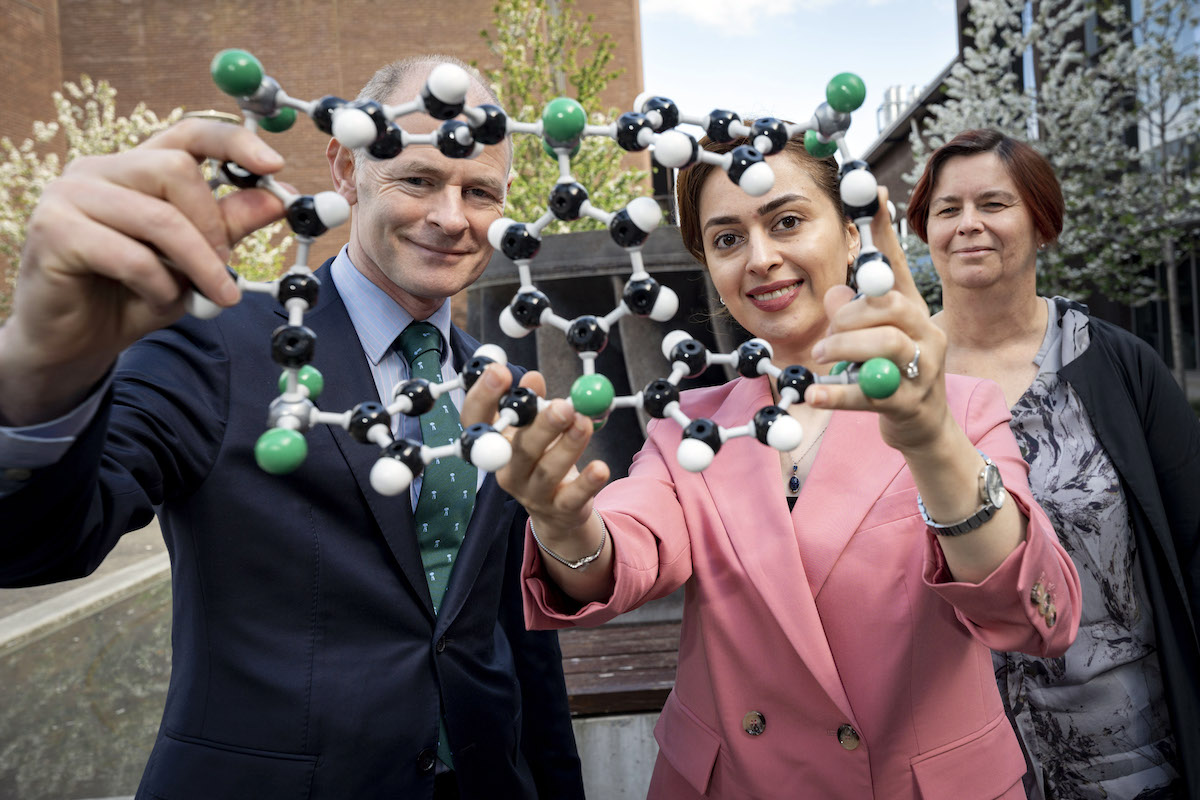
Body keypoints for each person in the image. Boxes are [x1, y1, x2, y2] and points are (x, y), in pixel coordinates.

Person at [0, 56, 584, 800]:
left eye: (480, 191)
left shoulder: (495, 383)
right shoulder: (215, 340)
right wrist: (41, 370)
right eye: (419, 180)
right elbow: (31, 541)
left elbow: (515, 635)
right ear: (346, 167)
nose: (452, 216)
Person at [461, 131, 1083, 799]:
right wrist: (563, 523)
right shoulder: (688, 424)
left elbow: (1036, 618)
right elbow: (629, 550)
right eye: (727, 239)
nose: (760, 259)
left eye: (786, 221)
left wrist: (933, 442)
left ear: (851, 236)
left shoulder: (959, 406)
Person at [907, 128, 1200, 800]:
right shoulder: (899, 381)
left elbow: (1194, 537)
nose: (968, 225)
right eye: (947, 210)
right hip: (955, 763)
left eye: (993, 204)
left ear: (1042, 222)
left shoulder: (1118, 367)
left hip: (1129, 760)